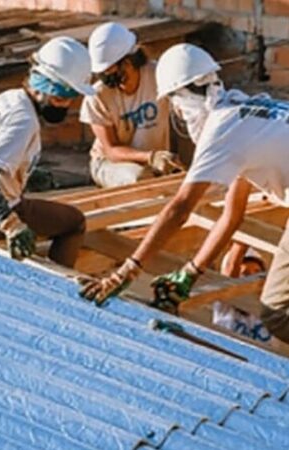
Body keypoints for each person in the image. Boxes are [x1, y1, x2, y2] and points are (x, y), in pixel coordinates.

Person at [78, 43, 289, 344]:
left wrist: (128, 269)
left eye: (175, 104)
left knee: (276, 314)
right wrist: (190, 272)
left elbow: (180, 208)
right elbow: (232, 215)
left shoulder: (222, 128)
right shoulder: (245, 111)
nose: (177, 111)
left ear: (182, 98)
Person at [0, 37, 93, 268]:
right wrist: (10, 223)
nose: (66, 106)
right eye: (61, 99)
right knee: (75, 223)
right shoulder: (24, 121)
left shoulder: (10, 97)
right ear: (47, 89)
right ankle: (57, 287)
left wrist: (26, 174)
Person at [81, 22, 180, 188]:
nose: (106, 77)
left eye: (110, 70)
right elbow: (111, 150)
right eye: (102, 72)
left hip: (155, 162)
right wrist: (150, 157)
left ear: (128, 62)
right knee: (141, 179)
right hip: (110, 163)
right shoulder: (96, 96)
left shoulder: (160, 76)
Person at [214, 245, 271, 344]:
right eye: (245, 274)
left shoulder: (270, 309)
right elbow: (231, 266)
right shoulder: (225, 306)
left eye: (258, 274)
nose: (253, 280)